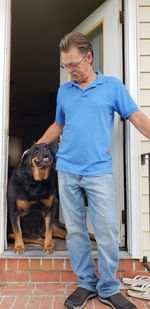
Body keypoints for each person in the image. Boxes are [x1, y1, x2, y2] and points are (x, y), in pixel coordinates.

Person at [36, 32, 150, 309]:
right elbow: (59, 124)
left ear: (89, 57)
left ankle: (109, 287)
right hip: (67, 169)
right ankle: (86, 283)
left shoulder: (112, 86)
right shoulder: (65, 91)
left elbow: (135, 116)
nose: (70, 71)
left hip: (98, 171)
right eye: (66, 66)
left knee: (108, 231)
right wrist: (38, 145)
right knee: (75, 231)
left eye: (74, 64)